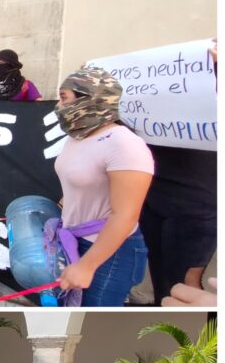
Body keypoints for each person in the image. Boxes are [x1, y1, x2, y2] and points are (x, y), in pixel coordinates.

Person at [52, 67, 155, 306]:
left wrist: (88, 265)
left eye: (64, 97)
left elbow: (125, 215)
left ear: (89, 100)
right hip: (75, 240)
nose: (58, 105)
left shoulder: (124, 144)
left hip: (110, 253)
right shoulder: (76, 136)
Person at [140, 41, 218, 303]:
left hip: (195, 209)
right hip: (154, 201)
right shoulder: (145, 107)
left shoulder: (211, 99)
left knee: (185, 285)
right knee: (163, 284)